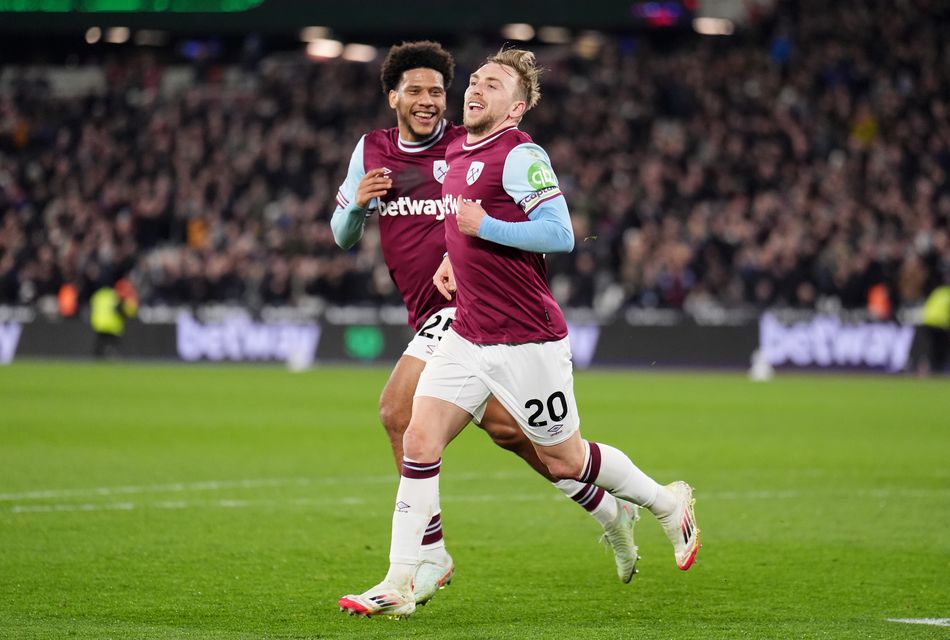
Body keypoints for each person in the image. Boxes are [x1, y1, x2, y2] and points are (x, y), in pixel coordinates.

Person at [339, 48, 700, 618]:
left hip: (527, 339)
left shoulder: (521, 154)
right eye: (476, 80)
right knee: (415, 436)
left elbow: (559, 234)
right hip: (467, 333)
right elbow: (458, 230)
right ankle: (401, 580)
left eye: (494, 84)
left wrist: (484, 227)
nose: (476, 89)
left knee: (564, 459)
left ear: (517, 108)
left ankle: (663, 501)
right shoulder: (458, 151)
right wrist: (456, 260)